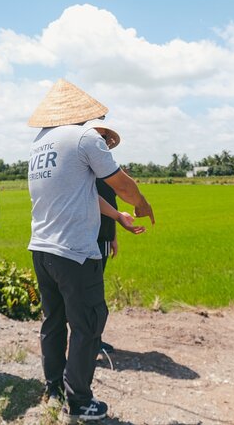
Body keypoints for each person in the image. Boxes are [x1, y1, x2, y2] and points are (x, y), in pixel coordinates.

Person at [27, 78, 155, 423]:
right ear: (84, 113)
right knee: (88, 324)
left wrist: (117, 217)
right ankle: (79, 401)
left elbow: (85, 194)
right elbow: (122, 183)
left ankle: (53, 387)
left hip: (42, 249)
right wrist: (141, 203)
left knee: (53, 321)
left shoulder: (41, 144)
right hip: (74, 252)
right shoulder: (85, 137)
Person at [94, 126, 125, 354]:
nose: (102, 142)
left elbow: (112, 205)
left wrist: (113, 237)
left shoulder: (107, 172)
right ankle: (90, 342)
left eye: (104, 139)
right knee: (92, 294)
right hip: (88, 237)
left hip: (103, 237)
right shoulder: (87, 170)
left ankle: (94, 339)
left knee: (95, 290)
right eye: (99, 138)